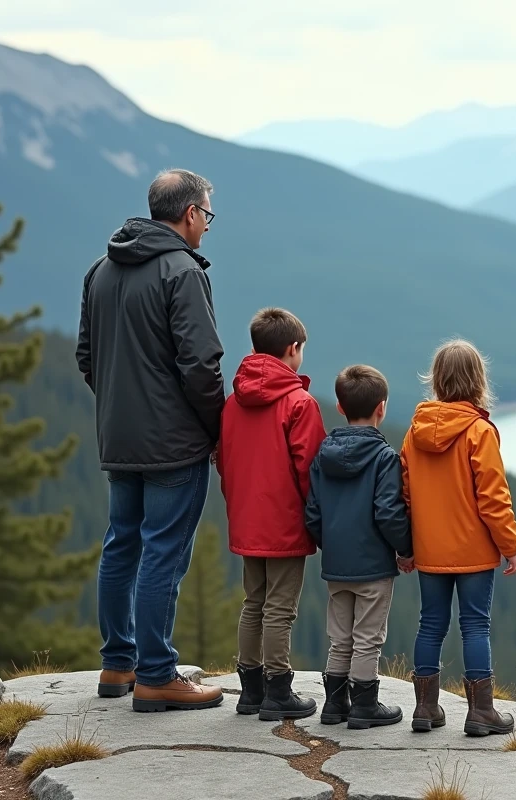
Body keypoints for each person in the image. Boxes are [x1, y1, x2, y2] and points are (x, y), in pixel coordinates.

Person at [76, 169, 226, 712]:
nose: (206, 227)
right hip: (174, 443)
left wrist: (121, 408)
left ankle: (118, 664)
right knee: (163, 551)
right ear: (189, 213)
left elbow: (87, 358)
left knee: (121, 545)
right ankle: (158, 674)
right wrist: (214, 428)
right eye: (206, 216)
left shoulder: (102, 268)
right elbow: (202, 365)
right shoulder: (181, 271)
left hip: (119, 439)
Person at [400, 339, 516, 736]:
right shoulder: (479, 431)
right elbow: (493, 496)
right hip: (474, 550)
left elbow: (404, 493)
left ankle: (425, 708)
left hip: (429, 549)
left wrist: (407, 546)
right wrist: (510, 547)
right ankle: (481, 713)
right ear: (477, 380)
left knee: (430, 624)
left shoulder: (413, 432)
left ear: (436, 380)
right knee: (475, 627)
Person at [216, 308, 327, 721]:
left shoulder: (233, 403)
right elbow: (309, 471)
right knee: (281, 607)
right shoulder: (299, 404)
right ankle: (279, 690)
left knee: (254, 602)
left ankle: (250, 690)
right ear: (293, 349)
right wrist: (316, 520)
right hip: (284, 521)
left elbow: (224, 461)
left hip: (246, 518)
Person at [305, 365, 413, 730]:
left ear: (339, 406)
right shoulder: (384, 458)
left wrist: (330, 544)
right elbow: (388, 512)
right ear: (381, 407)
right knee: (368, 638)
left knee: (340, 638)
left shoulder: (323, 455)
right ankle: (365, 705)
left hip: (337, 563)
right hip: (373, 566)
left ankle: (334, 707)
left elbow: (313, 512)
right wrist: (405, 548)